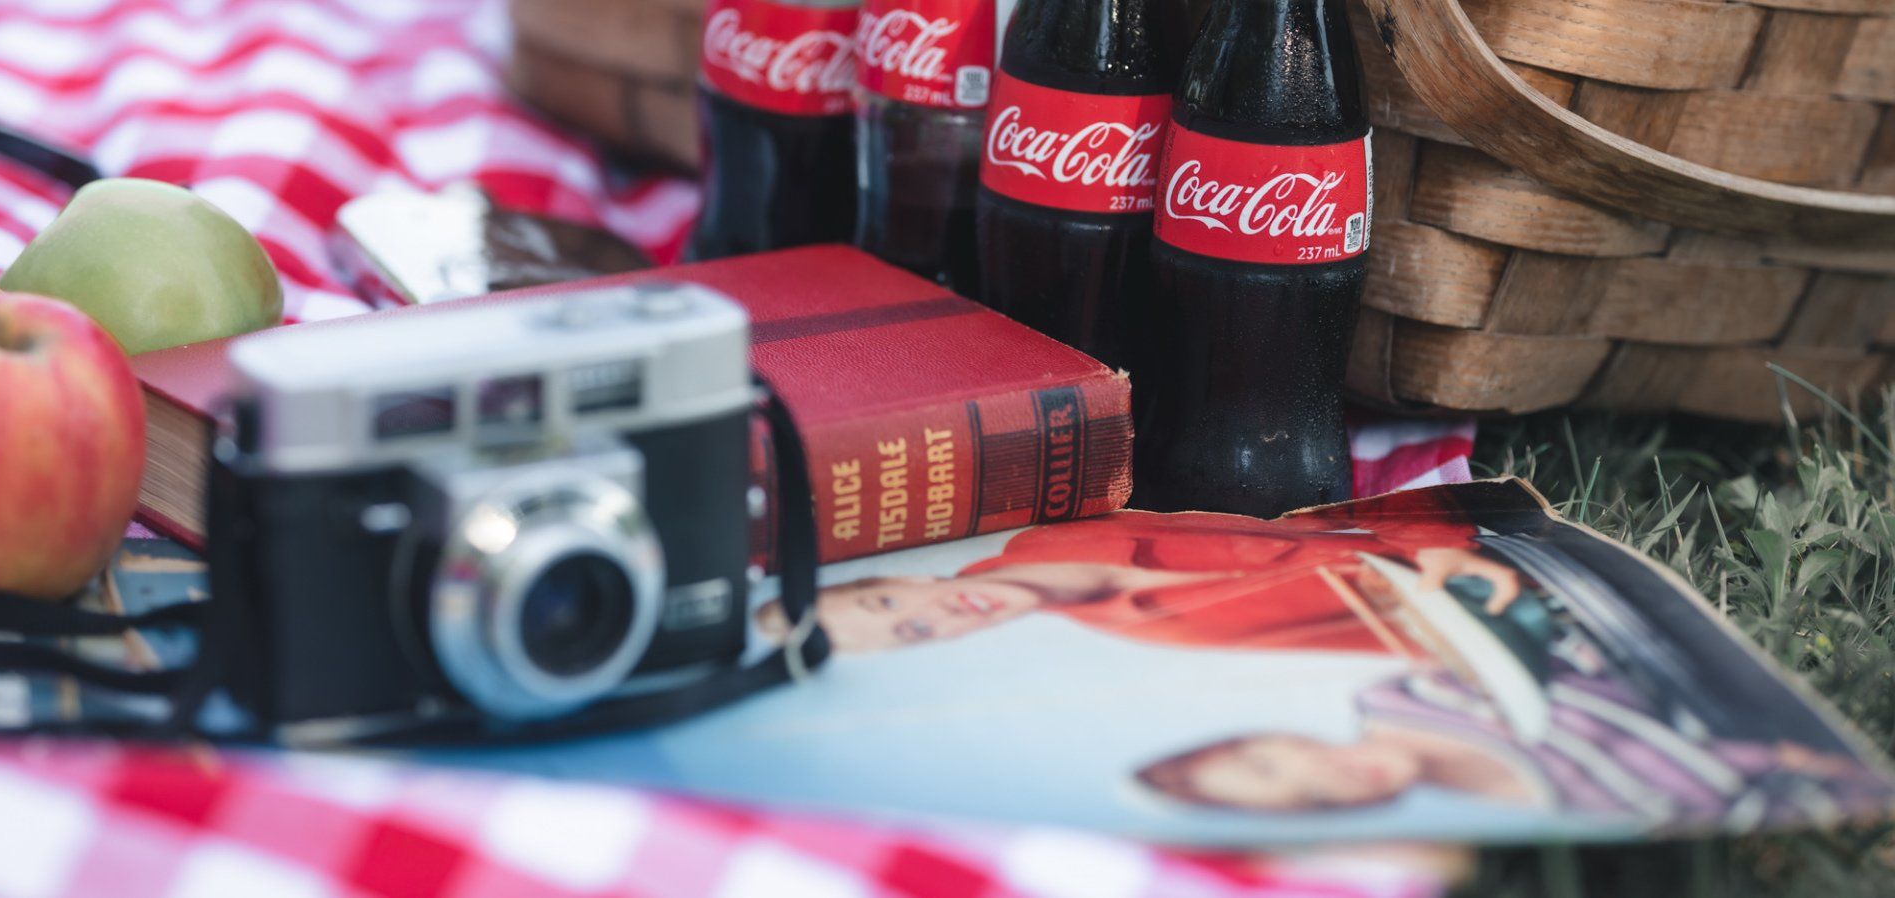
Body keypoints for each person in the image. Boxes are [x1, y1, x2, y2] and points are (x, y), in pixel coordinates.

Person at [1133, 667, 1893, 830]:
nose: (1326, 776)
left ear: (1266, 734)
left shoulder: (1414, 690)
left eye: (1269, 763)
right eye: (1311, 800)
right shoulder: (1571, 807)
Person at [760, 504, 1523, 656]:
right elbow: (1410, 644)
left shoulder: (1051, 529)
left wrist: (1435, 541)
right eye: (913, 634)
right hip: (1511, 591)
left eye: (888, 602)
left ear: (892, 575)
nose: (938, 616)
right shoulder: (1174, 633)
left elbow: (1325, 518)